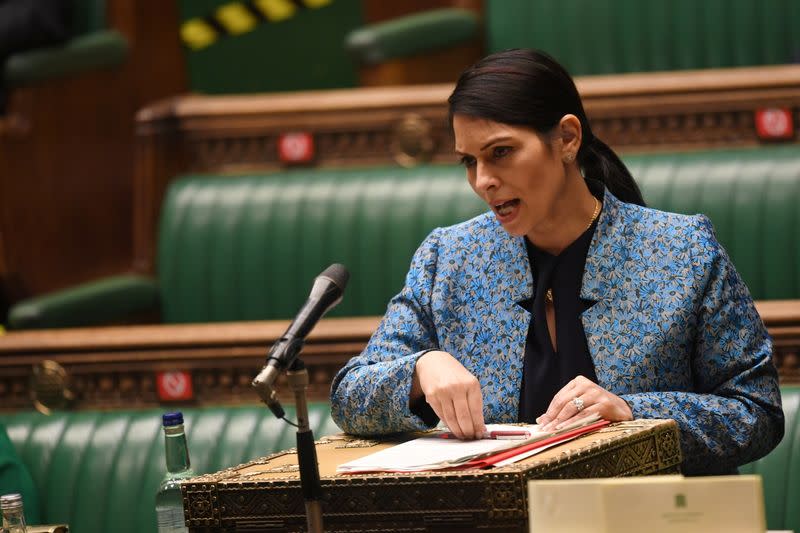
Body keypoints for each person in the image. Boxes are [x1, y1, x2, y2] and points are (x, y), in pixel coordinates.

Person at [330, 49, 784, 475]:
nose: (483, 180)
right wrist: (420, 369)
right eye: (468, 161)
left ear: (567, 138)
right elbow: (350, 395)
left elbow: (756, 412)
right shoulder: (448, 257)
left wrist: (635, 413)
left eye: (501, 152)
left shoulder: (681, 249)